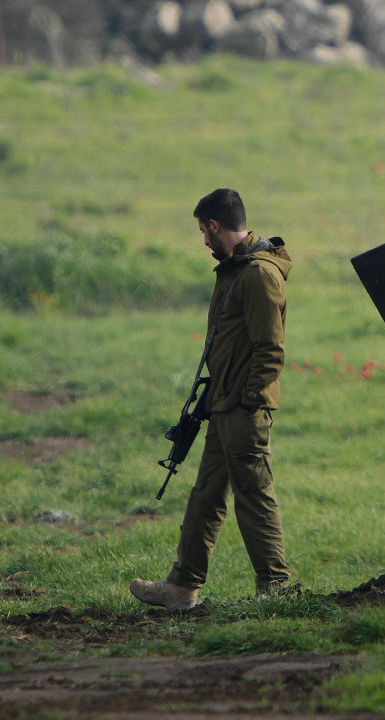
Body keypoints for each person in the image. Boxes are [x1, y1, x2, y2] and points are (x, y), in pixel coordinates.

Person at [131, 188, 293, 610]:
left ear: (216, 226)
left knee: (254, 496)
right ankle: (181, 587)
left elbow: (270, 349)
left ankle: (275, 589)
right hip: (224, 405)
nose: (204, 240)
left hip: (244, 410)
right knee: (206, 496)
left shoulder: (258, 275)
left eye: (205, 231)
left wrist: (249, 399)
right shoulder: (236, 270)